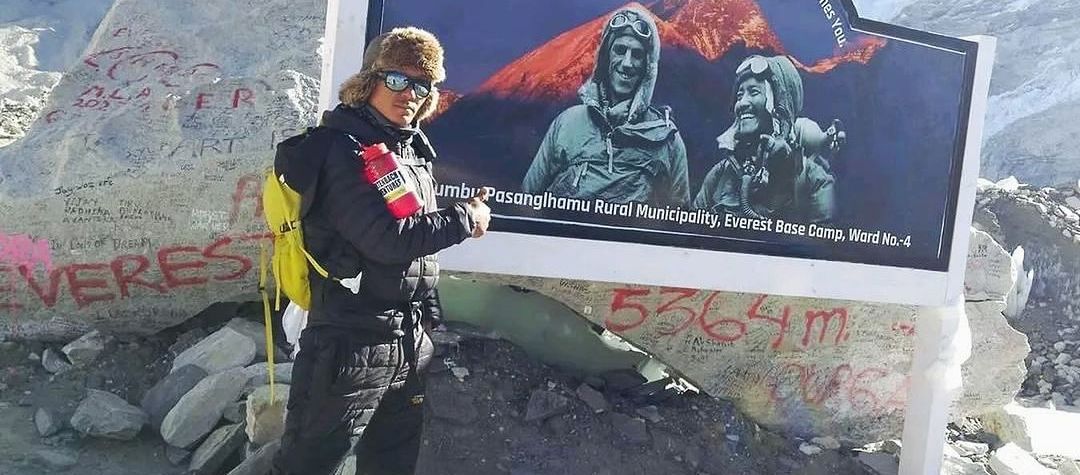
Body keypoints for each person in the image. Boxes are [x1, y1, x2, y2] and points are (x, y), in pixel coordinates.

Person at [270, 27, 491, 475]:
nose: (408, 93)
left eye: (421, 84)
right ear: (369, 80)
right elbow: (387, 240)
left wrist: (430, 323)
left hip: (408, 344)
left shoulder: (411, 154)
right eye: (396, 79)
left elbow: (419, 256)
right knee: (307, 465)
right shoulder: (341, 150)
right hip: (348, 344)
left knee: (391, 465)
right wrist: (466, 218)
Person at [522, 7, 690, 207]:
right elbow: (527, 200)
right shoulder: (567, 124)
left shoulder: (667, 140)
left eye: (637, 54)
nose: (627, 63)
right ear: (605, 56)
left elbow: (679, 222)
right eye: (620, 50)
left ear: (648, 66)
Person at [693, 54, 840, 224]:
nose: (741, 103)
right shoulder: (720, 175)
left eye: (753, 92)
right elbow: (689, 236)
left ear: (778, 105)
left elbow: (821, 247)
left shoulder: (814, 181)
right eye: (739, 96)